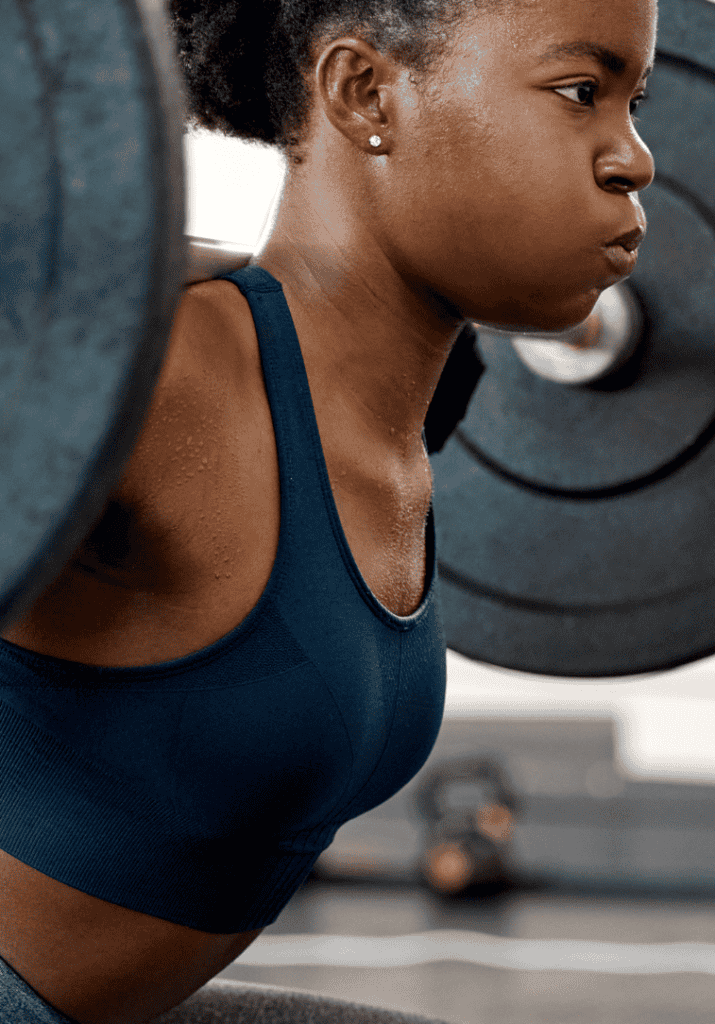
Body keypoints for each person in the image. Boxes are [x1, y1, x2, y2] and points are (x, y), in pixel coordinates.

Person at [0, 0, 655, 1020]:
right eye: (580, 92)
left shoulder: (403, 412)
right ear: (365, 94)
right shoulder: (153, 381)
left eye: (637, 102)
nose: (635, 160)